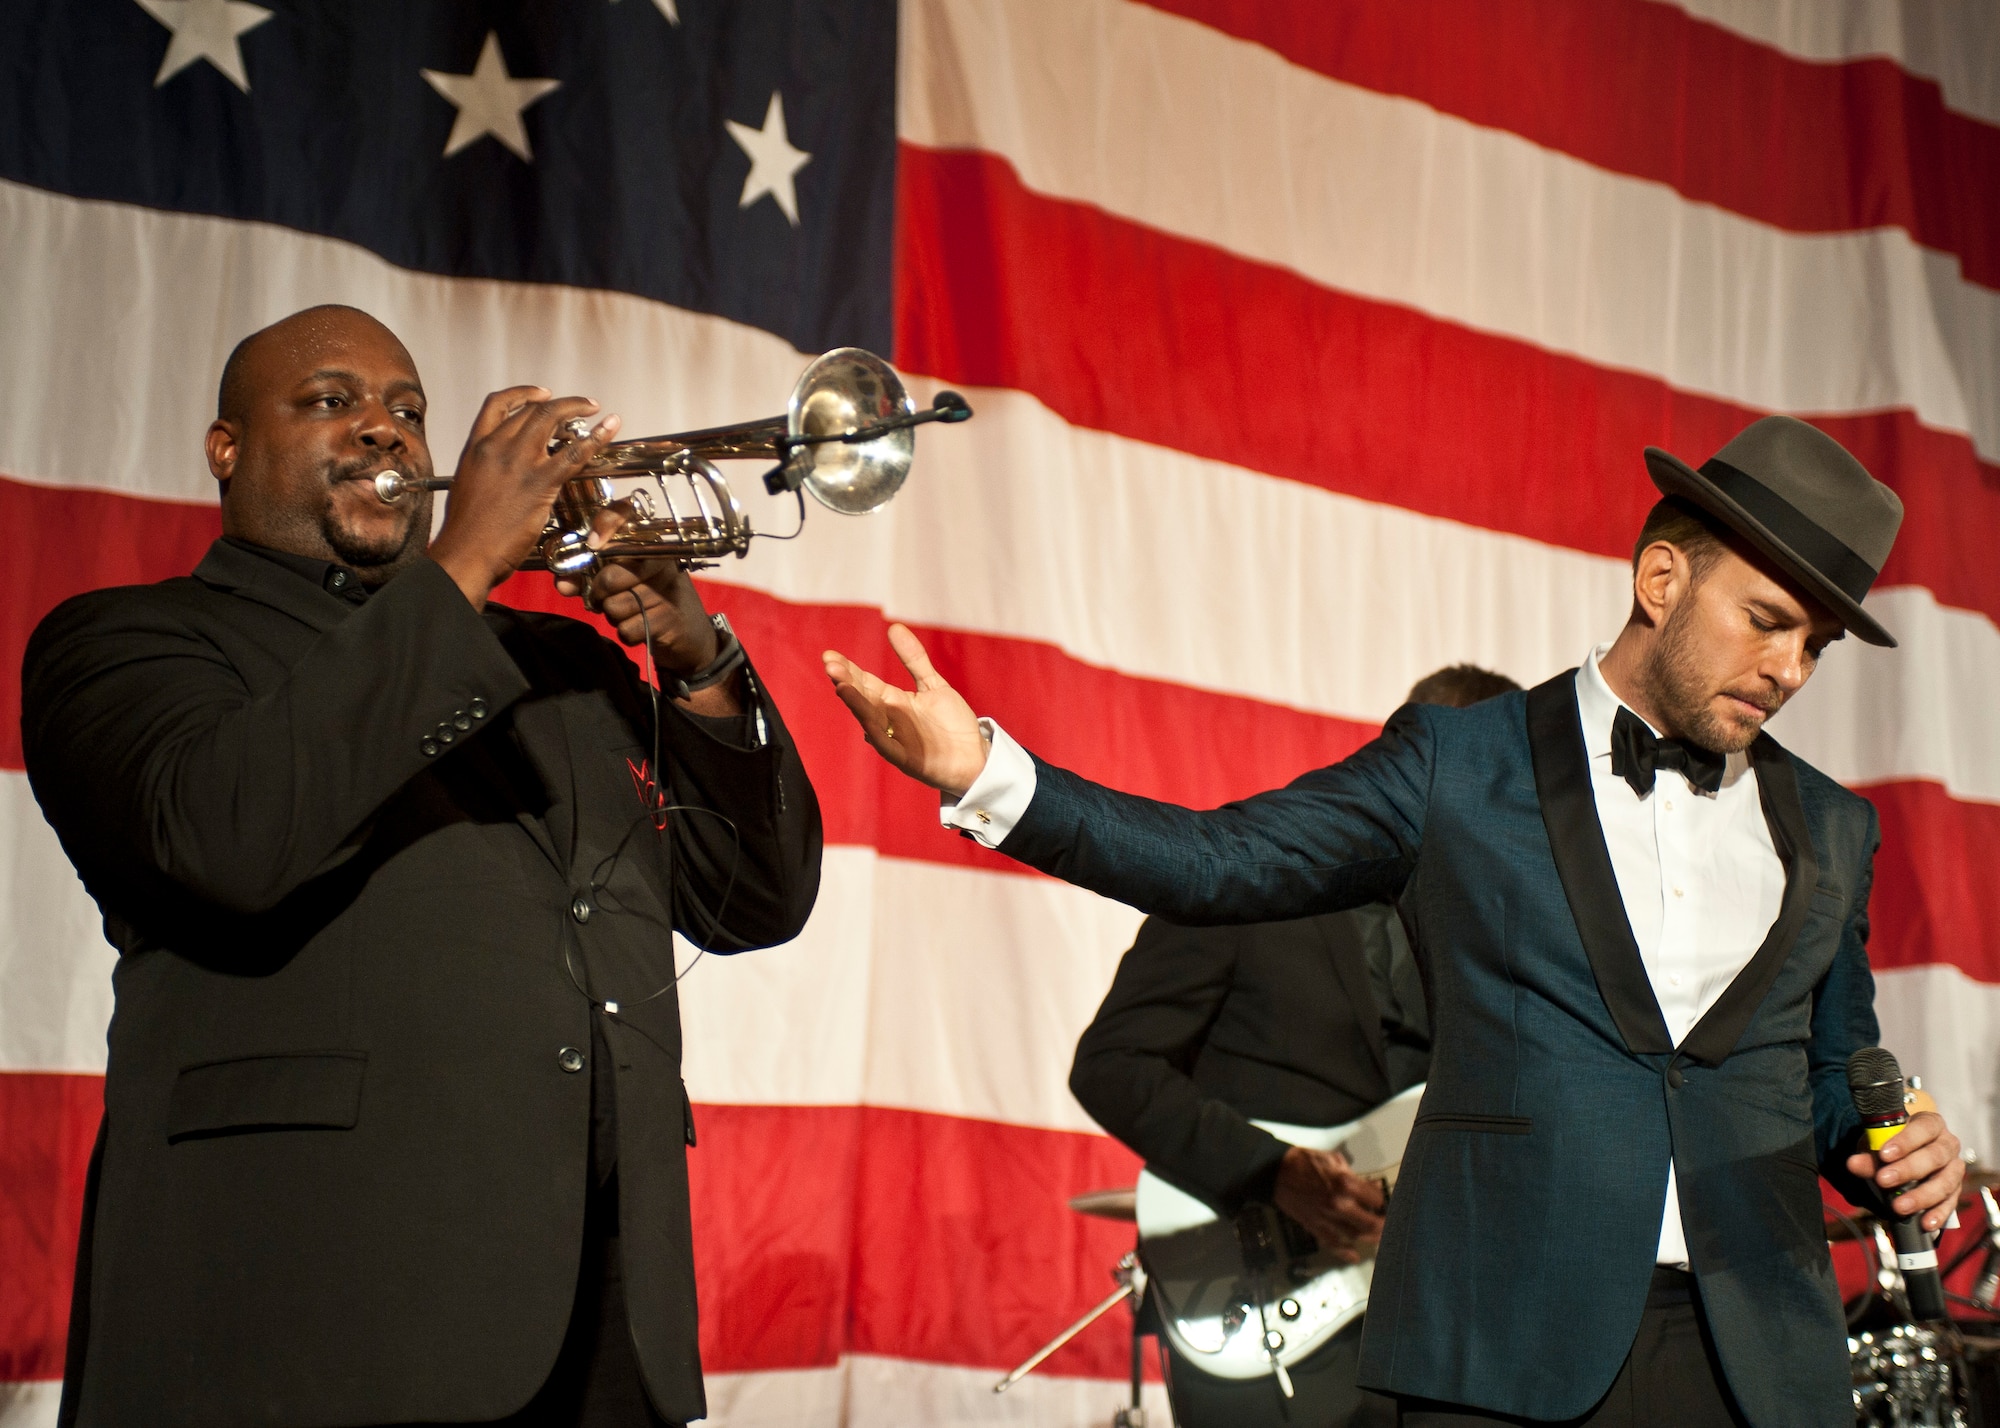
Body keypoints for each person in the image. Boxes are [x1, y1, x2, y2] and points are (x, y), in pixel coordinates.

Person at [822, 416, 1967, 1428]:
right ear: (1660, 579)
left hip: (1757, 1358)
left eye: (1812, 644)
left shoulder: (1832, 827)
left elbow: (1828, 1078)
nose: (1787, 669)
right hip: (1503, 1348)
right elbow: (1215, 862)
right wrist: (993, 776)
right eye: (1765, 621)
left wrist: (1895, 1153)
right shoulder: (1456, 766)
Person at [21, 305, 823, 1428]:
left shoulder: (557, 664)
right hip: (302, 1322)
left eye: (407, 410)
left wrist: (696, 662)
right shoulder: (127, 641)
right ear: (227, 449)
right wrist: (464, 564)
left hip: (598, 1331)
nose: (385, 432)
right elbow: (225, 841)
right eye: (331, 401)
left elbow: (753, 900)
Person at [1071, 665, 1517, 1428]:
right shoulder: (1249, 879)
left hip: (1426, 1321)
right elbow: (1112, 1064)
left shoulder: (1497, 937)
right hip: (1257, 1297)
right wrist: (1270, 1173)